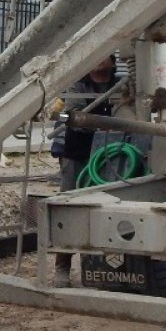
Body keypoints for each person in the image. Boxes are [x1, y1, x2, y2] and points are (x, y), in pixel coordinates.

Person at [49, 54, 115, 284]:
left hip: (110, 154)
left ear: (113, 59)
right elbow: (73, 115)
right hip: (76, 152)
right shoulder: (77, 84)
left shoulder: (120, 83)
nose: (98, 60)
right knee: (69, 204)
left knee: (108, 206)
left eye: (104, 55)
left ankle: (108, 266)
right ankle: (62, 267)